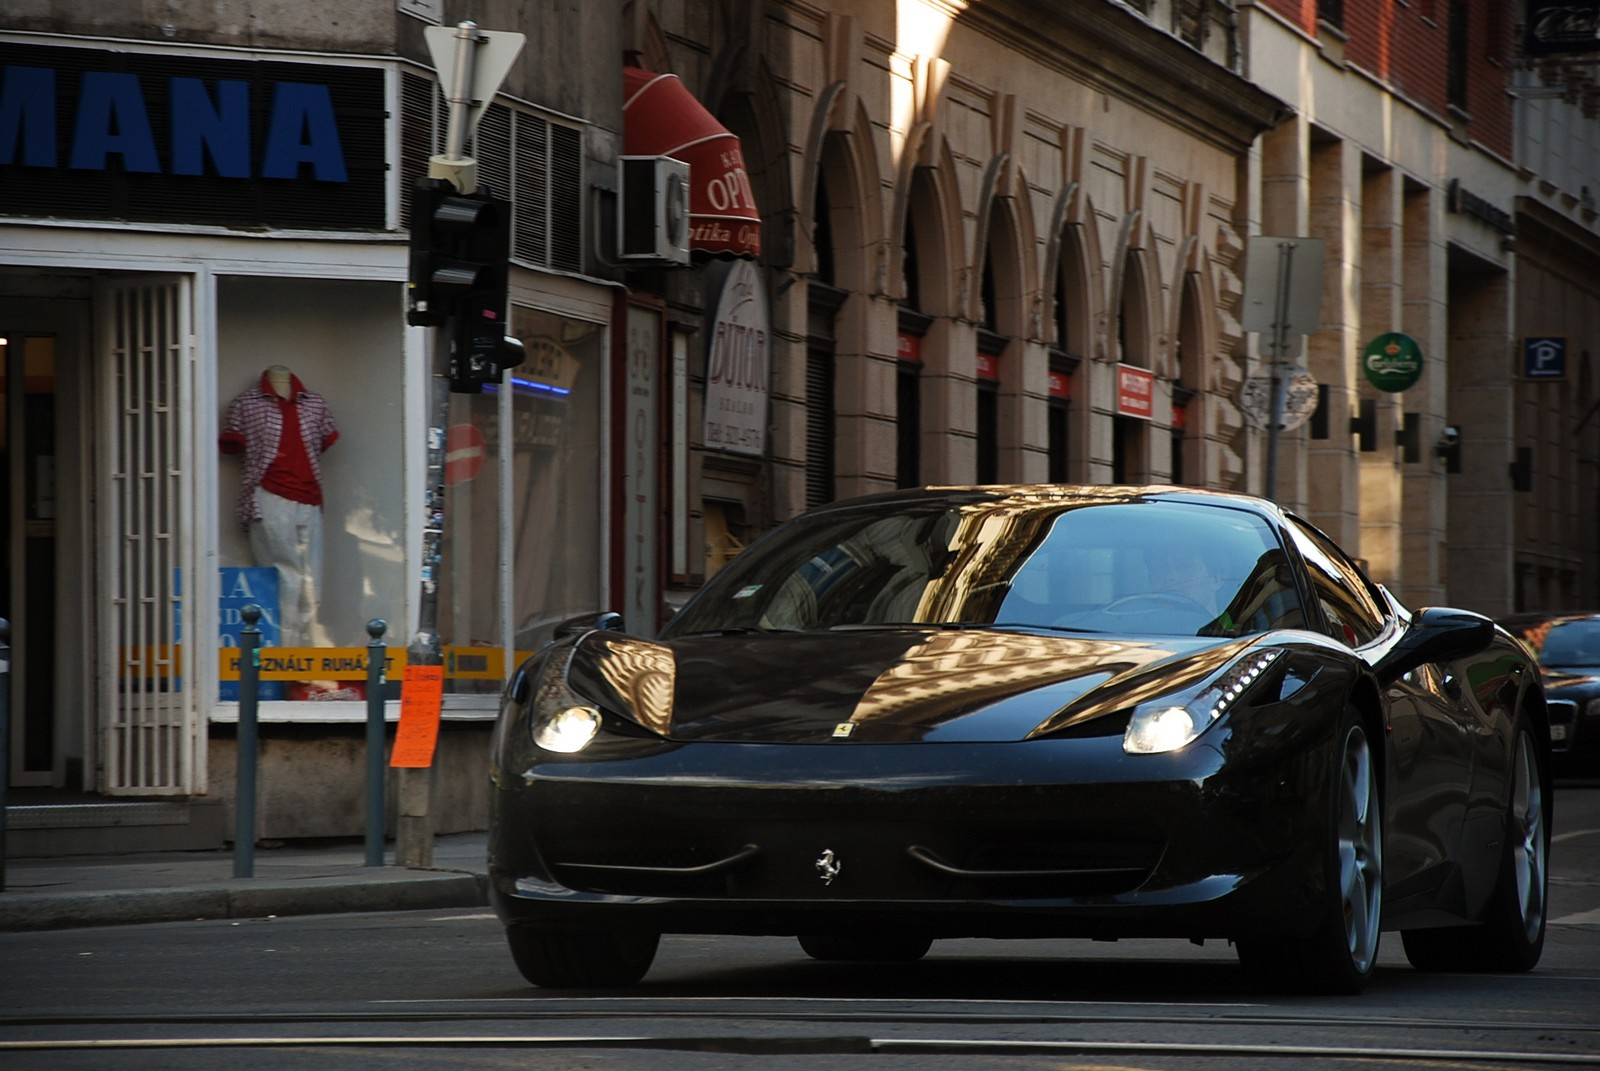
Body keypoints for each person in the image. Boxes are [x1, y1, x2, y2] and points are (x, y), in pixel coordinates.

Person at [220, 365, 339, 648]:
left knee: (312, 581)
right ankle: (282, 651)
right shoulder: (246, 403)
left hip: (310, 498)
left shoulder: (315, 403)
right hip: (269, 493)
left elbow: (323, 441)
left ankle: (305, 653)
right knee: (282, 575)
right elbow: (234, 442)